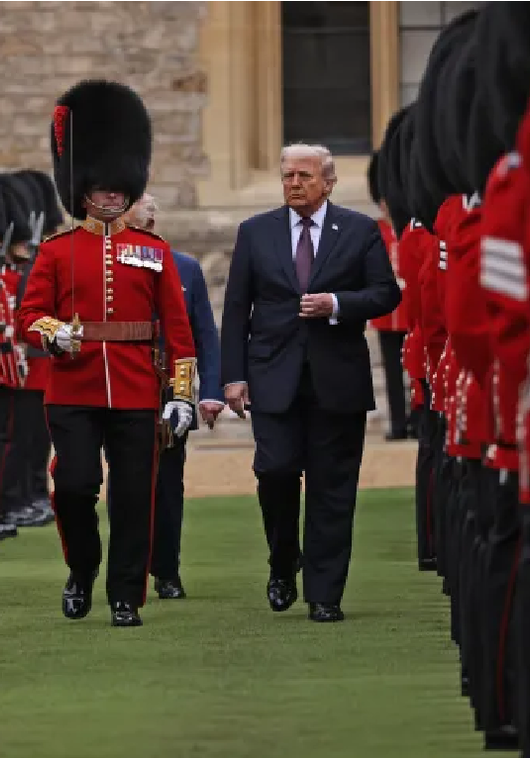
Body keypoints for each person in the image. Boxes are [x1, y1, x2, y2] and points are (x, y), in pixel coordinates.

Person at [16, 79, 197, 628]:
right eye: (102, 187)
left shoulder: (154, 250)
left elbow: (177, 330)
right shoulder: (56, 251)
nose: (113, 195)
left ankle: (125, 595)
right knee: (74, 485)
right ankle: (82, 567)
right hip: (74, 386)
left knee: (135, 497)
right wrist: (54, 333)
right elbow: (29, 315)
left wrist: (181, 395)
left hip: (138, 387)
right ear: (82, 190)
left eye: (120, 187)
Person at [220, 143, 401, 623]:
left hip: (336, 378)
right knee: (275, 471)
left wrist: (337, 304)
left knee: (332, 487)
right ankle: (283, 560)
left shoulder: (359, 230)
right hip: (272, 375)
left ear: (329, 182)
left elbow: (386, 293)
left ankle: (325, 593)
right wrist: (232, 377)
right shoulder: (255, 232)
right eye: (287, 176)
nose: (294, 183)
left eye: (304, 175)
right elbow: (237, 309)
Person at [121, 192, 224, 600]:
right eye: (141, 208)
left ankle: (166, 569)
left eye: (152, 212)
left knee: (168, 484)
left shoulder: (184, 267)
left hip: (169, 387)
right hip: (122, 385)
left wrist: (209, 391)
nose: (151, 215)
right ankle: (129, 571)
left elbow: (204, 335)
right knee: (127, 483)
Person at [366, 152, 411, 440]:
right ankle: (398, 423)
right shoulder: (375, 231)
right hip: (386, 313)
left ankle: (419, 418)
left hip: (410, 310)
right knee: (393, 372)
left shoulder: (409, 229)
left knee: (418, 369)